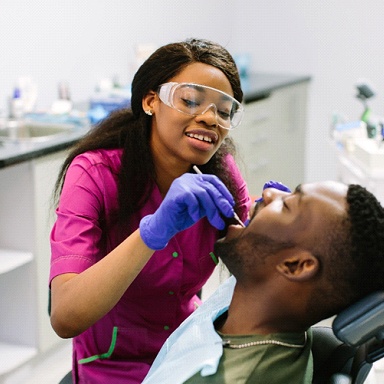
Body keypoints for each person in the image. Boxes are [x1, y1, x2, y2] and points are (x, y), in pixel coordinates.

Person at [49, 38, 251, 383]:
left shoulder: (222, 174)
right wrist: (151, 233)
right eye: (190, 100)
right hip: (111, 364)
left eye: (223, 110)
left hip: (188, 350)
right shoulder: (94, 175)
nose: (209, 118)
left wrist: (273, 225)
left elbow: (252, 270)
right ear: (150, 101)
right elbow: (65, 317)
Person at [142, 180, 384, 384]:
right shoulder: (269, 311)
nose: (269, 193)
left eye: (287, 204)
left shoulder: (232, 377)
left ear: (295, 266)